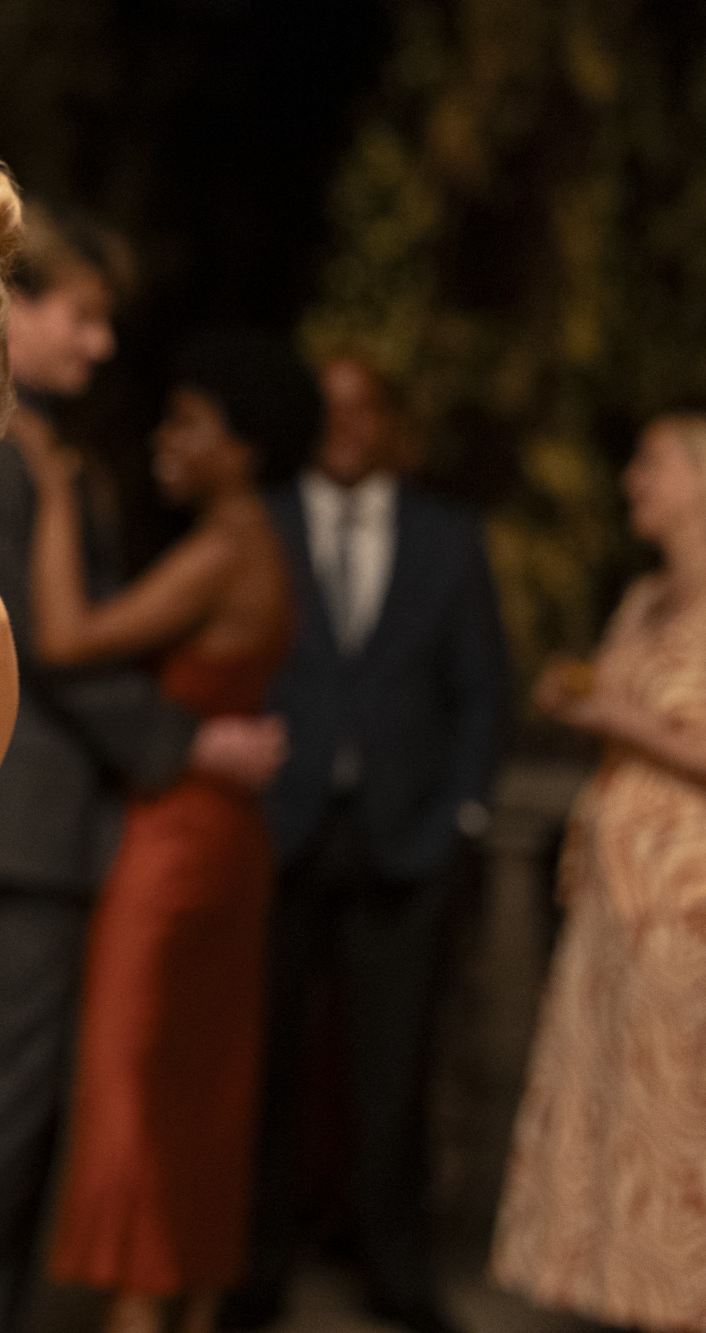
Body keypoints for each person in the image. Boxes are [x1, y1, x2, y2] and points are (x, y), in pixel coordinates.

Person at [0, 213, 286, 1333]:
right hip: (34, 815)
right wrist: (186, 739)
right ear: (13, 309)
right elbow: (34, 642)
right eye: (81, 316)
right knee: (7, 1100)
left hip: (56, 814)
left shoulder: (35, 442)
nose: (101, 343)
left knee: (27, 1104)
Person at [225, 355, 506, 1333]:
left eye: (364, 409)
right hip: (275, 836)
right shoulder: (253, 522)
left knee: (396, 1071)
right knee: (262, 1066)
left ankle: (397, 1271)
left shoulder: (449, 537)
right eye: (330, 409)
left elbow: (481, 691)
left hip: (405, 845)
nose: (346, 426)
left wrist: (458, 818)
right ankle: (254, 1270)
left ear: (389, 423)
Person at [32, 330, 304, 1333]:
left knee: (135, 1092)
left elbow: (66, 638)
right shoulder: (260, 542)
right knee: (196, 1099)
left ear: (243, 447)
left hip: (177, 852)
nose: (166, 438)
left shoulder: (223, 549)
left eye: (190, 423)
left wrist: (54, 496)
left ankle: (138, 1305)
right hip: (219, 840)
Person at [491, 412, 706, 1333]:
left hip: (690, 899)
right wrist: (578, 696)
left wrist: (620, 715)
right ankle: (627, 1297)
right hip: (612, 889)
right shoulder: (644, 598)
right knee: (612, 1098)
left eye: (652, 462)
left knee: (681, 1107)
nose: (632, 479)